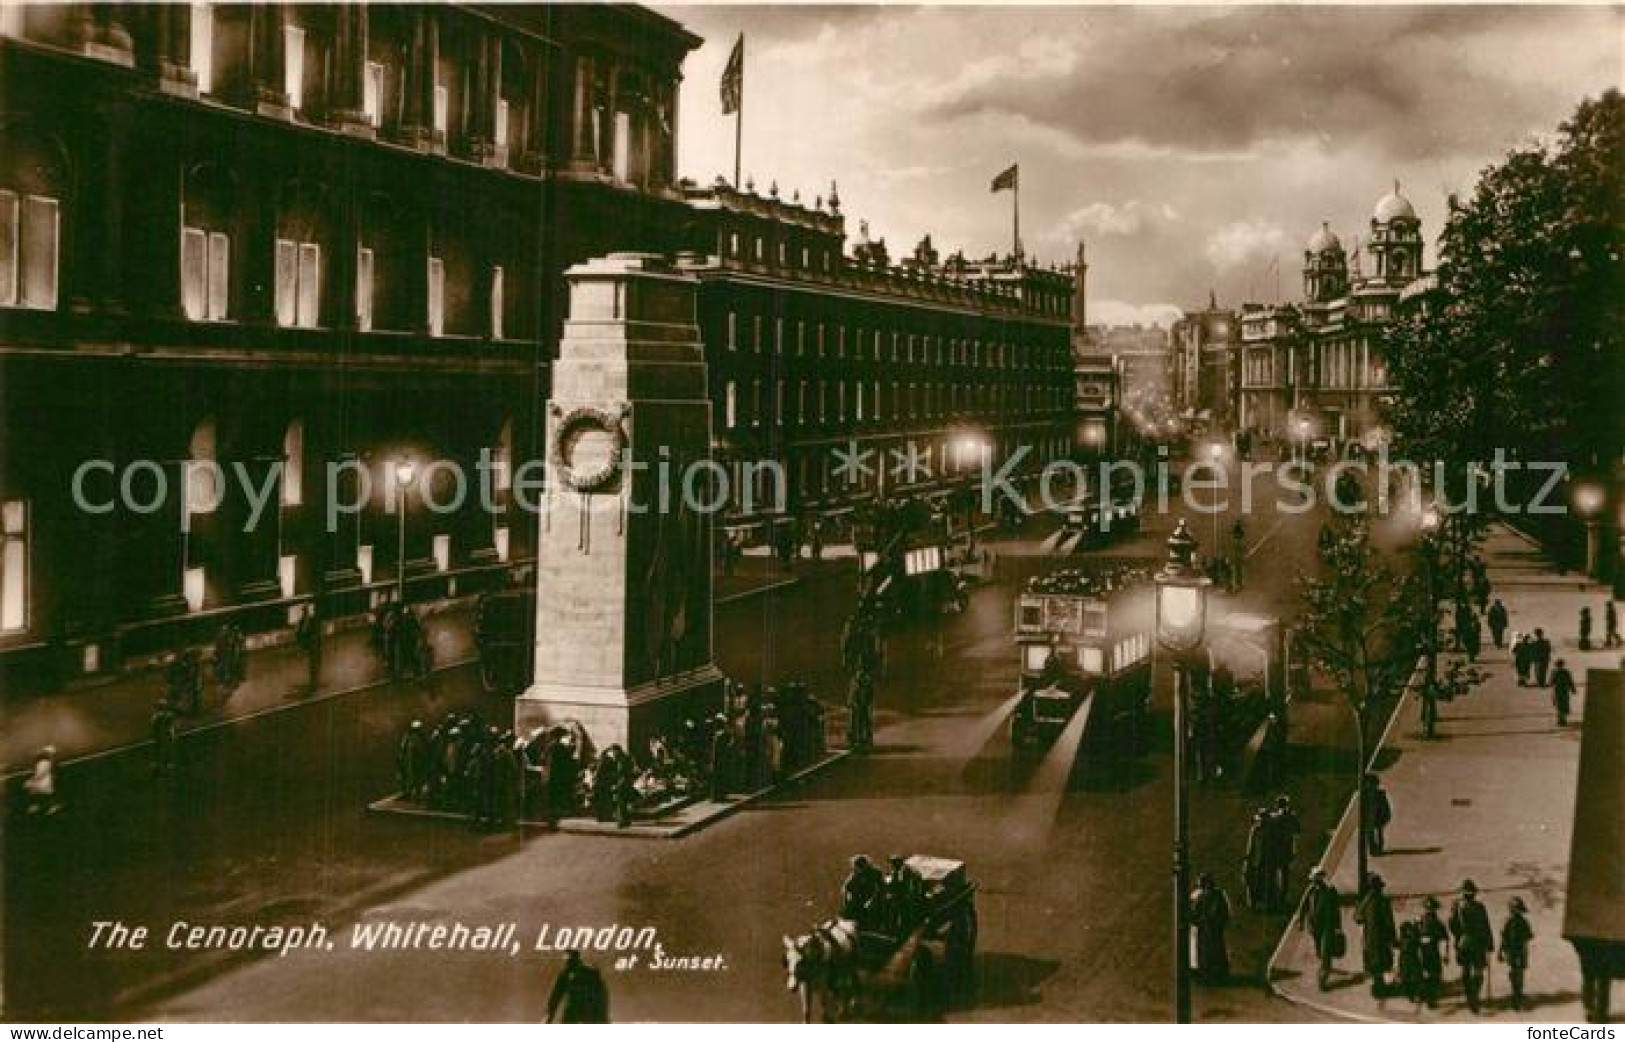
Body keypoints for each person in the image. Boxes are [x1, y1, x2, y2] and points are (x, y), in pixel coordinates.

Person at [1450, 878, 1495, 1014]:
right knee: (1477, 972)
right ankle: (1474, 997)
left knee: (1467, 972)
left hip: (1465, 943)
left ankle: (1471, 997)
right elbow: (1486, 927)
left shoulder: (1458, 908)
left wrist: (1457, 939)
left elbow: (1453, 927)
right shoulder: (1479, 907)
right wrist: (1489, 943)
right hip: (1478, 943)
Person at [1298, 867, 1343, 991]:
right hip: (1314, 927)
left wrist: (1338, 927)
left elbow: (1336, 910)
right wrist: (1300, 921)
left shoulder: (1330, 891)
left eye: (1317, 879)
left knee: (1325, 951)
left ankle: (1322, 980)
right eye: (1314, 879)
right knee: (1319, 950)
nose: (1315, 882)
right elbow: (1303, 906)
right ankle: (1326, 965)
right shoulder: (1311, 891)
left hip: (1327, 926)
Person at [1355, 873, 1398, 997]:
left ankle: (1378, 987)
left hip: (1370, 939)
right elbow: (1389, 922)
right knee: (1381, 963)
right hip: (1380, 939)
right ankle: (1380, 988)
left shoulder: (1367, 901)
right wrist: (1393, 938)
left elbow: (1357, 917)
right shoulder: (1383, 901)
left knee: (1375, 964)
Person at [1189, 872, 1232, 984]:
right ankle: (1206, 972)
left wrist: (1212, 921)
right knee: (1204, 950)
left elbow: (1223, 912)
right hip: (1203, 928)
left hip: (1211, 928)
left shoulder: (1217, 895)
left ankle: (1214, 973)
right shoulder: (1199, 895)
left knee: (1213, 950)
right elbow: (1192, 910)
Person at [546, 950, 609, 1023]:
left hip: (584, 1013)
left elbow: (555, 996)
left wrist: (549, 1017)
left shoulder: (588, 973)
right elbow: (555, 996)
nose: (567, 962)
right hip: (581, 1013)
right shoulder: (590, 972)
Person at [1499, 896, 1534, 1012]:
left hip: (1520, 950)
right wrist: (1501, 951)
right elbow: (1503, 938)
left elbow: (1528, 936)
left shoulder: (1522, 921)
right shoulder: (1508, 922)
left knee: (1519, 972)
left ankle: (1518, 994)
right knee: (1515, 972)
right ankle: (1516, 995)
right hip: (1513, 950)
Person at [1268, 795, 1302, 909]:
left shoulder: (1275, 817)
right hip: (1284, 848)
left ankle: (1278, 897)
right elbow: (1298, 830)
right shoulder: (1289, 817)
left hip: (1279, 848)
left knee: (1278, 873)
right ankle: (1281, 896)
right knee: (1283, 873)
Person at [1416, 896, 1450, 1008]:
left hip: (1431, 951)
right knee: (1428, 974)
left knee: (1432, 975)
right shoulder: (1422, 921)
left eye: (1431, 908)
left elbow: (1445, 939)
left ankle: (1429, 998)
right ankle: (1427, 997)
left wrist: (1445, 954)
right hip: (1426, 951)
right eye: (1428, 908)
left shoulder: (1434, 922)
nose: (1429, 910)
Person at [841, 854, 884, 927]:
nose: (858, 870)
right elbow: (847, 887)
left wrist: (872, 900)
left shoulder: (875, 872)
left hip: (873, 897)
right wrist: (847, 900)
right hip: (860, 898)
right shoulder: (855, 873)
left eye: (860, 867)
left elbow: (881, 887)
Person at [1242, 807, 1271, 909]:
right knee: (1252, 882)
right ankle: (1253, 902)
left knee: (1264, 882)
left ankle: (1265, 902)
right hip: (1256, 860)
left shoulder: (1268, 831)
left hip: (1265, 860)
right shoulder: (1255, 830)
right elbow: (1251, 846)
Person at [23, 745, 61, 816]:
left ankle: (42, 805)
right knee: (39, 792)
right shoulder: (48, 762)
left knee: (36, 791)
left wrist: (32, 780)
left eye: (46, 752)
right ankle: (38, 805)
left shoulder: (44, 763)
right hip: (45, 780)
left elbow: (40, 774)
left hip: (43, 781)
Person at [398, 720, 430, 801]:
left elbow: (402, 750)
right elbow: (422, 752)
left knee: (409, 778)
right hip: (415, 763)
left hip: (408, 762)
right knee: (416, 779)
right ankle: (414, 795)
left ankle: (408, 793)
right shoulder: (417, 739)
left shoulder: (407, 737)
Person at [295, 602, 323, 695]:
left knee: (314, 665)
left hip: (313, 645)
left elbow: (304, 632)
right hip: (312, 645)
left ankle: (314, 684)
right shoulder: (306, 620)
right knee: (314, 665)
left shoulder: (309, 620)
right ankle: (313, 683)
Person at [1363, 773, 1393, 856]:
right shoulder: (1364, 794)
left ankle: (1378, 848)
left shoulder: (1380, 794)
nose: (1370, 786)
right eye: (1369, 784)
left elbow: (1385, 805)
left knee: (1378, 832)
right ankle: (1373, 849)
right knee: (1370, 833)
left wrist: (1385, 815)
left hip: (1377, 815)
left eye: (1372, 784)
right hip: (1369, 816)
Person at [1397, 920, 1425, 1005]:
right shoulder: (1411, 939)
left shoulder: (1403, 939)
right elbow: (1418, 942)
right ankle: (1415, 994)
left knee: (1408, 977)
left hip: (1404, 959)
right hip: (1411, 959)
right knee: (1415, 977)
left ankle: (1411, 994)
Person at [847, 669, 874, 752]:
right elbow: (852, 696)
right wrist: (853, 704)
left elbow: (870, 697)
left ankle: (865, 741)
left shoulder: (867, 684)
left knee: (865, 723)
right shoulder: (855, 684)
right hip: (857, 707)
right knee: (855, 723)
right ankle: (854, 741)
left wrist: (868, 706)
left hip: (864, 707)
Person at [149, 702, 178, 774]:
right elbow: (172, 726)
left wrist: (153, 736)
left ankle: (155, 764)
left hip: (159, 736)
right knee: (168, 749)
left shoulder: (155, 716)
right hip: (167, 735)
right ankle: (169, 763)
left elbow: (152, 726)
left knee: (157, 749)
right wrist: (172, 735)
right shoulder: (170, 715)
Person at [1551, 659, 1576, 727]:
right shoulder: (1566, 672)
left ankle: (1560, 719)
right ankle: (1563, 719)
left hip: (1557, 690)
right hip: (1565, 690)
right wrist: (1573, 689)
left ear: (1556, 665)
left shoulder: (1554, 672)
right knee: (1564, 704)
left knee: (1559, 704)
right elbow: (1570, 681)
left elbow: (1551, 682)